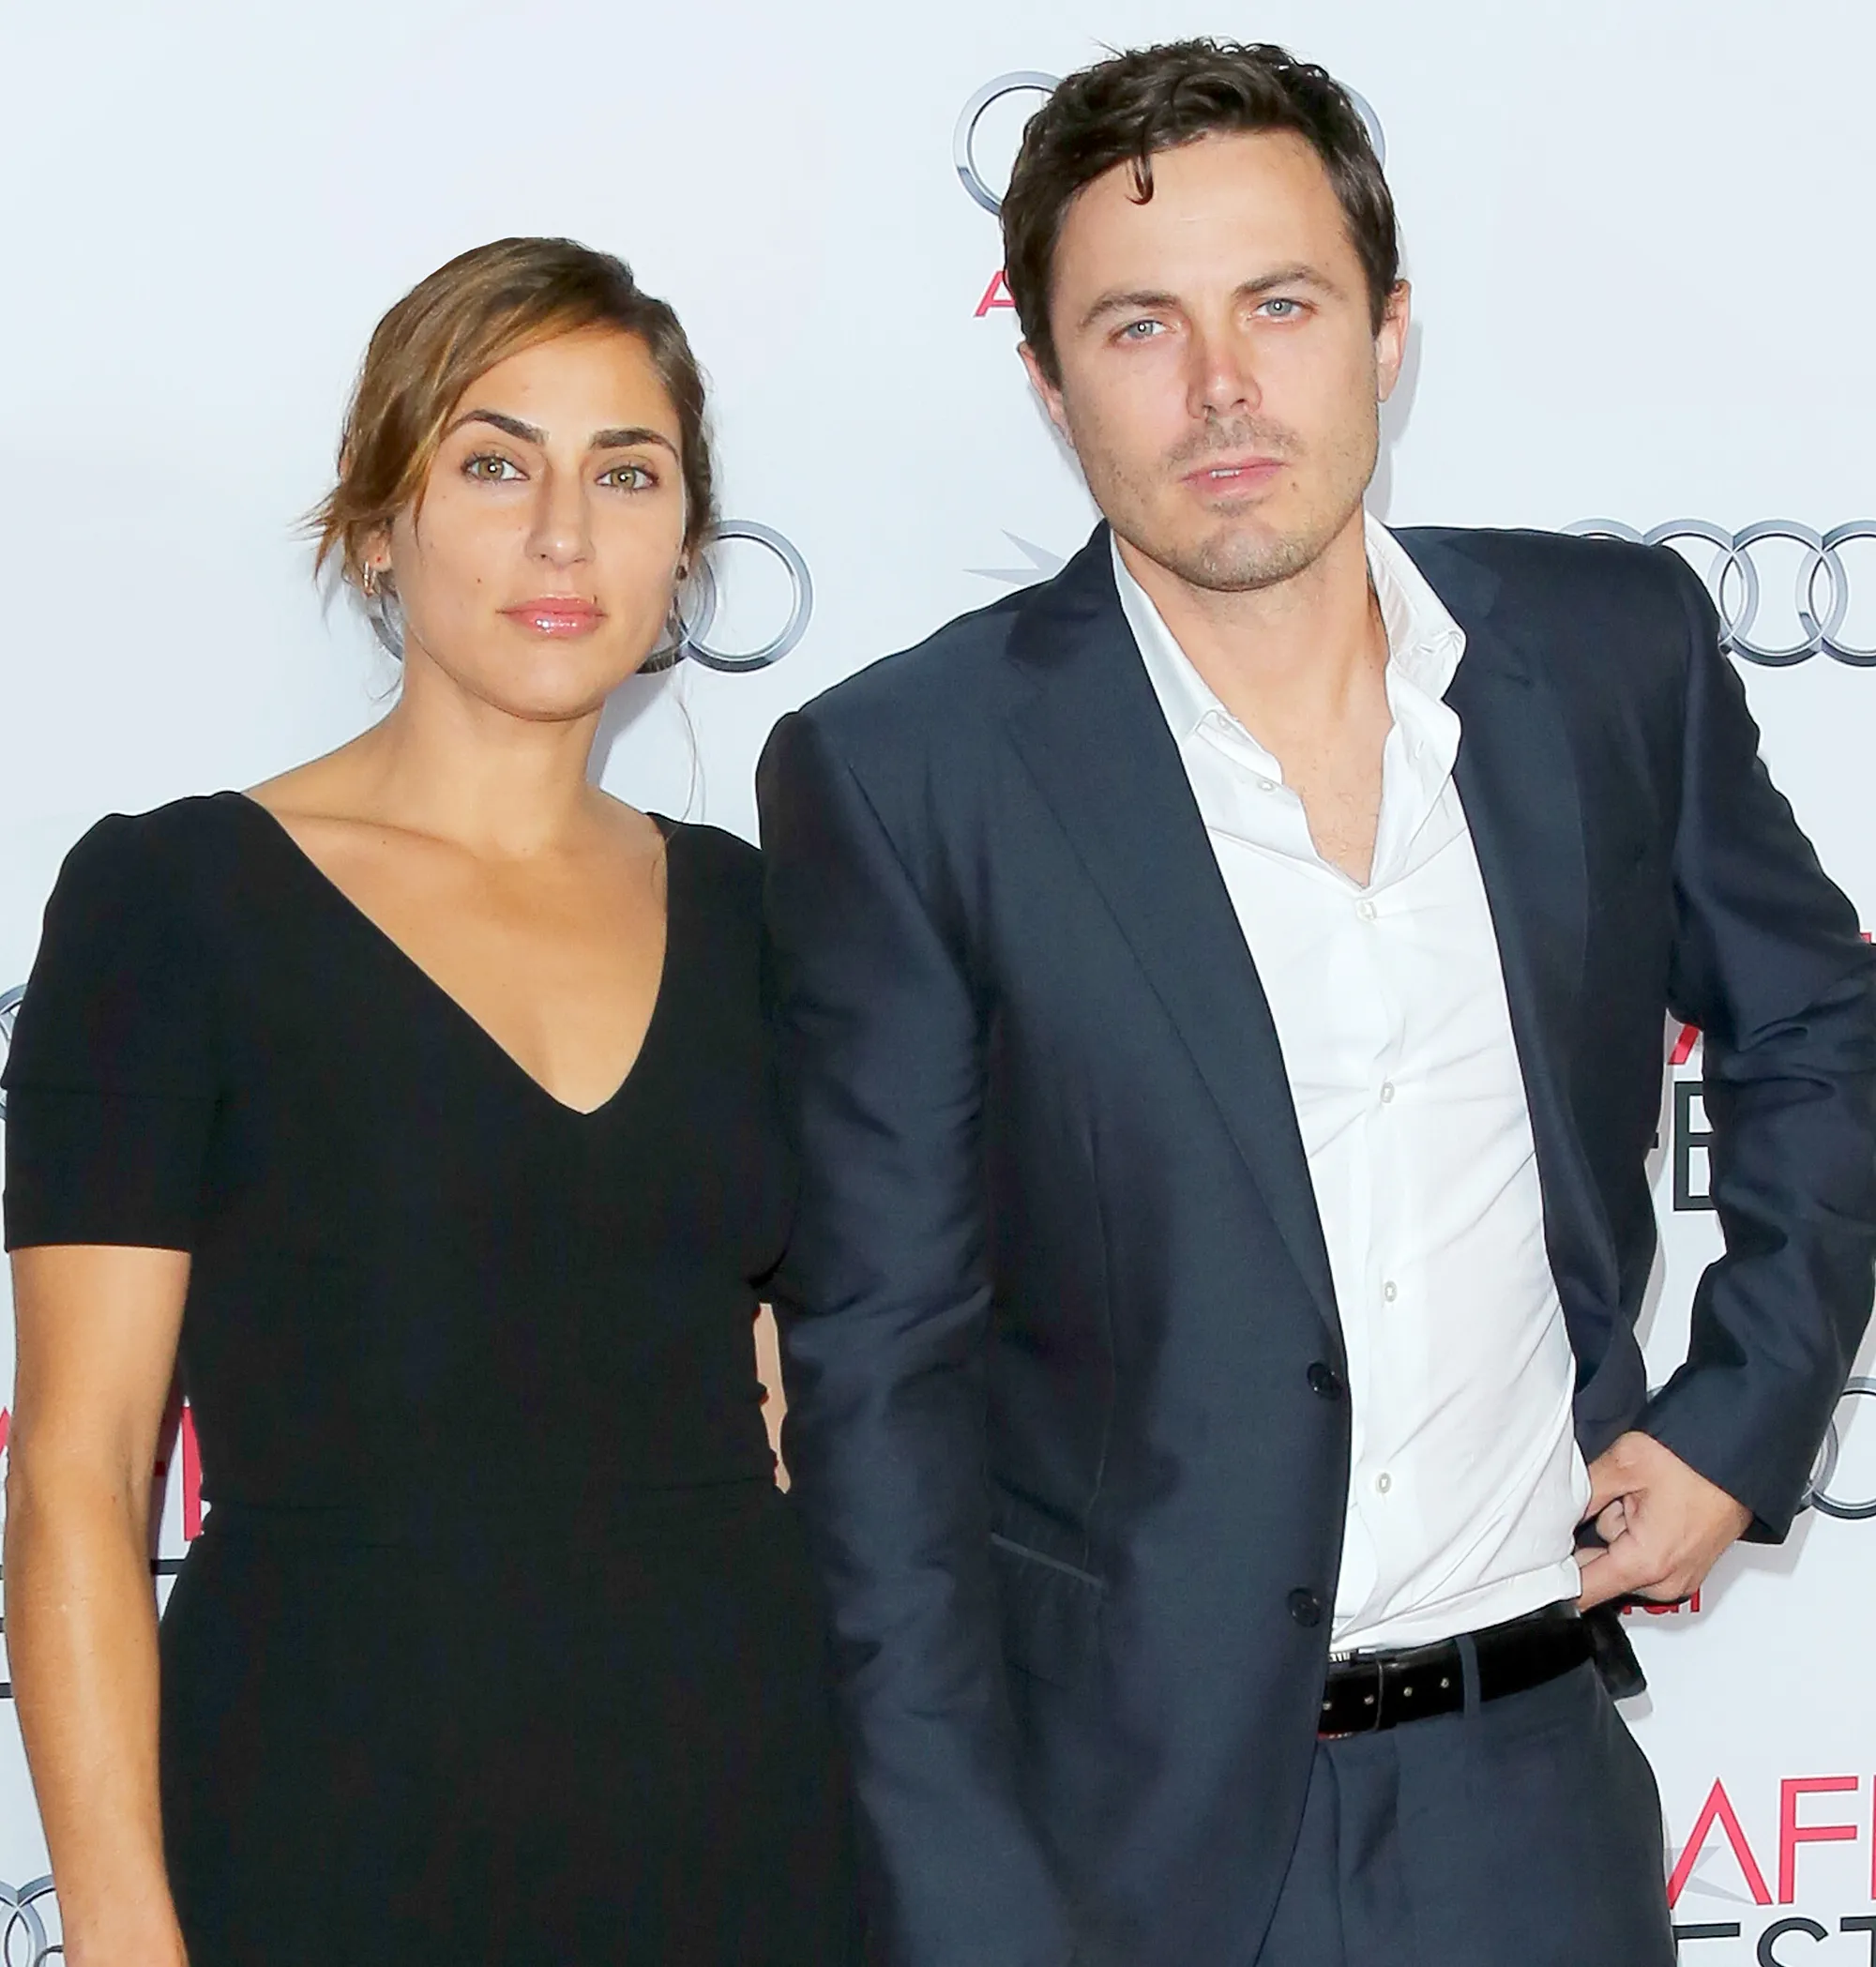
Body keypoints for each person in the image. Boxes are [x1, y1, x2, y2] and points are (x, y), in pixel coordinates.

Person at [756, 40, 1876, 1967]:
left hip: (1528, 1800)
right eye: (1135, 327)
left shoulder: (1611, 663)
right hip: (1123, 1837)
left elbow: (1819, 1029)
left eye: (1278, 305)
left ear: (1386, 329)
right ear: (1042, 376)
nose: (1219, 391)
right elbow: (878, 1383)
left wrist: (1743, 1407)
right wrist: (966, 1908)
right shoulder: (907, 772)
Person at [3, 236, 858, 1967]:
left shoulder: (770, 915)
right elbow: (77, 1482)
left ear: (684, 554)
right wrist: (116, 1930)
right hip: (327, 1833)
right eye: (493, 462)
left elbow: (797, 1377)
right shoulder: (175, 904)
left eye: (627, 474)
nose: (564, 533)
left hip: (750, 1825)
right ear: (378, 528)